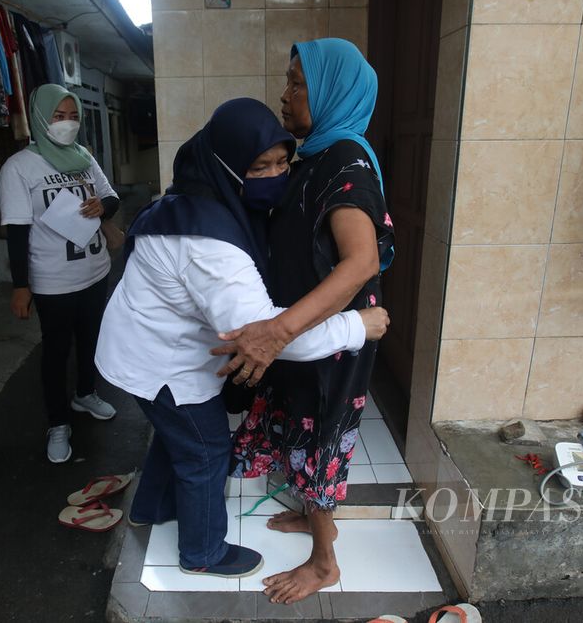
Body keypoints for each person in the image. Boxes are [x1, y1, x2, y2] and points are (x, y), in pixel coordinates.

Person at [94, 98, 389, 578]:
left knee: (175, 436)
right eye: (259, 167)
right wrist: (358, 325)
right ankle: (203, 552)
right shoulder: (208, 244)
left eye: (281, 162)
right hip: (160, 363)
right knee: (205, 448)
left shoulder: (196, 197)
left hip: (139, 348)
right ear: (229, 165)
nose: (275, 175)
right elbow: (269, 336)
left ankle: (150, 507)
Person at [220, 38, 395, 604]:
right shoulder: (317, 153)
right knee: (298, 422)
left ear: (331, 91)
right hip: (304, 327)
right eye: (288, 81)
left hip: (329, 335)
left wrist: (278, 330)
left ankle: (324, 562)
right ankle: (314, 517)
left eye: (298, 82)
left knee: (319, 433)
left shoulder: (347, 160)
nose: (285, 93)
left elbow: (362, 260)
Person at [0, 83, 120, 463]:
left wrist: (102, 206)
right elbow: (16, 230)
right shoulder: (20, 167)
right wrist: (21, 285)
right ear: (40, 118)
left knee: (90, 341)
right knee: (55, 351)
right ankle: (58, 423)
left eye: (72, 117)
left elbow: (111, 197)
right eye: (58, 116)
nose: (67, 124)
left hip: (95, 270)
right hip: (53, 280)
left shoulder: (82, 155)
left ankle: (85, 394)